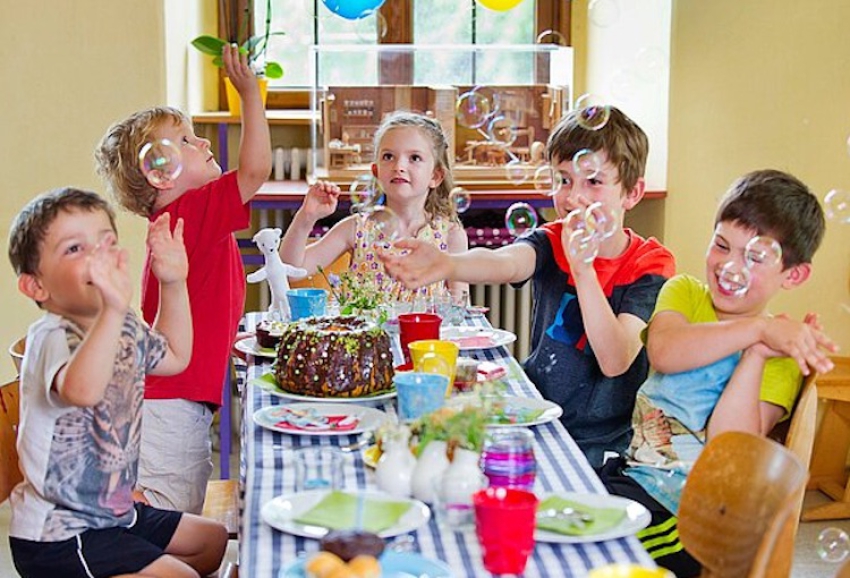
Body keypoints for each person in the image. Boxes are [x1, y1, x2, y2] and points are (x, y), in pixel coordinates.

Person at [380, 106, 676, 466]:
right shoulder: (552, 240)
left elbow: (615, 360)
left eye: (593, 182)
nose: (572, 197)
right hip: (534, 412)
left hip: (602, 443)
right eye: (564, 180)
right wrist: (449, 263)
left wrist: (583, 270)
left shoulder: (649, 263)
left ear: (632, 193)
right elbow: (505, 262)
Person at [598, 169, 837, 577]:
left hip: (691, 515)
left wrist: (757, 353)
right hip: (635, 479)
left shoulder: (778, 356)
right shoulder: (685, 293)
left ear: (793, 275)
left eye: (755, 257)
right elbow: (665, 351)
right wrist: (758, 328)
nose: (730, 266)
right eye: (722, 245)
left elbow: (730, 445)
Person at [6, 188, 228, 578]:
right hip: (61, 533)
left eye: (105, 242)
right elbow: (82, 389)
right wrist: (112, 309)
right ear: (36, 287)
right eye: (75, 249)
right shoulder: (52, 336)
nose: (97, 256)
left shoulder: (122, 324)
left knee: (212, 541)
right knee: (183, 576)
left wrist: (175, 282)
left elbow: (175, 356)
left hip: (116, 511)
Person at [94, 44, 271, 513]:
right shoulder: (189, 213)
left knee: (175, 518)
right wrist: (251, 94)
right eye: (190, 140)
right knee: (169, 521)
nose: (205, 144)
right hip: (170, 407)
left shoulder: (183, 219)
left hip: (172, 402)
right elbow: (255, 170)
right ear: (160, 174)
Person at [278, 110, 469, 303]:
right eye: (388, 156)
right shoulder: (357, 228)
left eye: (414, 158)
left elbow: (461, 306)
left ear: (435, 176)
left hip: (425, 335)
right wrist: (306, 217)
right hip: (365, 333)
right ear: (376, 171)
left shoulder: (450, 235)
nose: (399, 166)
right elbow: (290, 271)